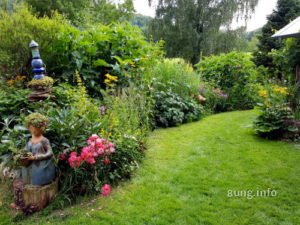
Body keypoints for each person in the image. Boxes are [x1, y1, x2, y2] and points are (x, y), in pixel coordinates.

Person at [21, 113, 55, 186]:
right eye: (31, 129)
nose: (33, 131)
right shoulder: (30, 140)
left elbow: (50, 153)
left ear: (42, 128)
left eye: (35, 129)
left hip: (42, 165)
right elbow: (26, 150)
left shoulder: (44, 140)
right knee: (25, 170)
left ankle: (41, 182)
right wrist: (22, 154)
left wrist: (36, 157)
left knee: (38, 176)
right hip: (32, 164)